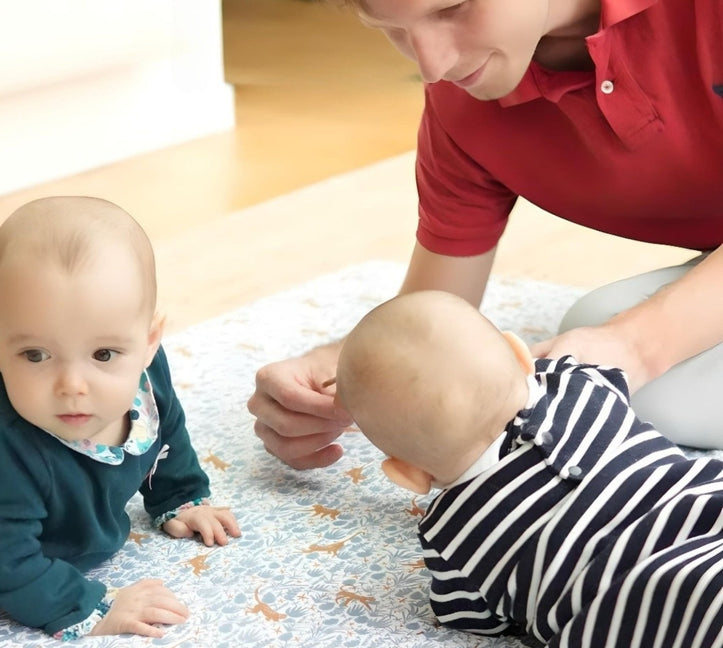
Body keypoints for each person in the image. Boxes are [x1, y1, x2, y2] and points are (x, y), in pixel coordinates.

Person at [248, 0, 723, 462]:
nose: (432, 65)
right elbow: (434, 313)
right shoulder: (462, 101)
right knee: (599, 330)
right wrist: (344, 370)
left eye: (451, 9)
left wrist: (635, 345)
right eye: (390, 28)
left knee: (634, 362)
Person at [334, 289, 723, 648]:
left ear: (406, 473)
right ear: (522, 354)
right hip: (707, 511)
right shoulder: (582, 385)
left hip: (656, 606)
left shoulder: (450, 535)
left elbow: (475, 618)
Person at [0, 196, 240, 640]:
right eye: (35, 354)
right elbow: (2, 562)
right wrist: (89, 606)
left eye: (103, 354)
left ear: (149, 340)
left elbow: (166, 432)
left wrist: (180, 494)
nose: (72, 384)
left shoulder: (146, 372)